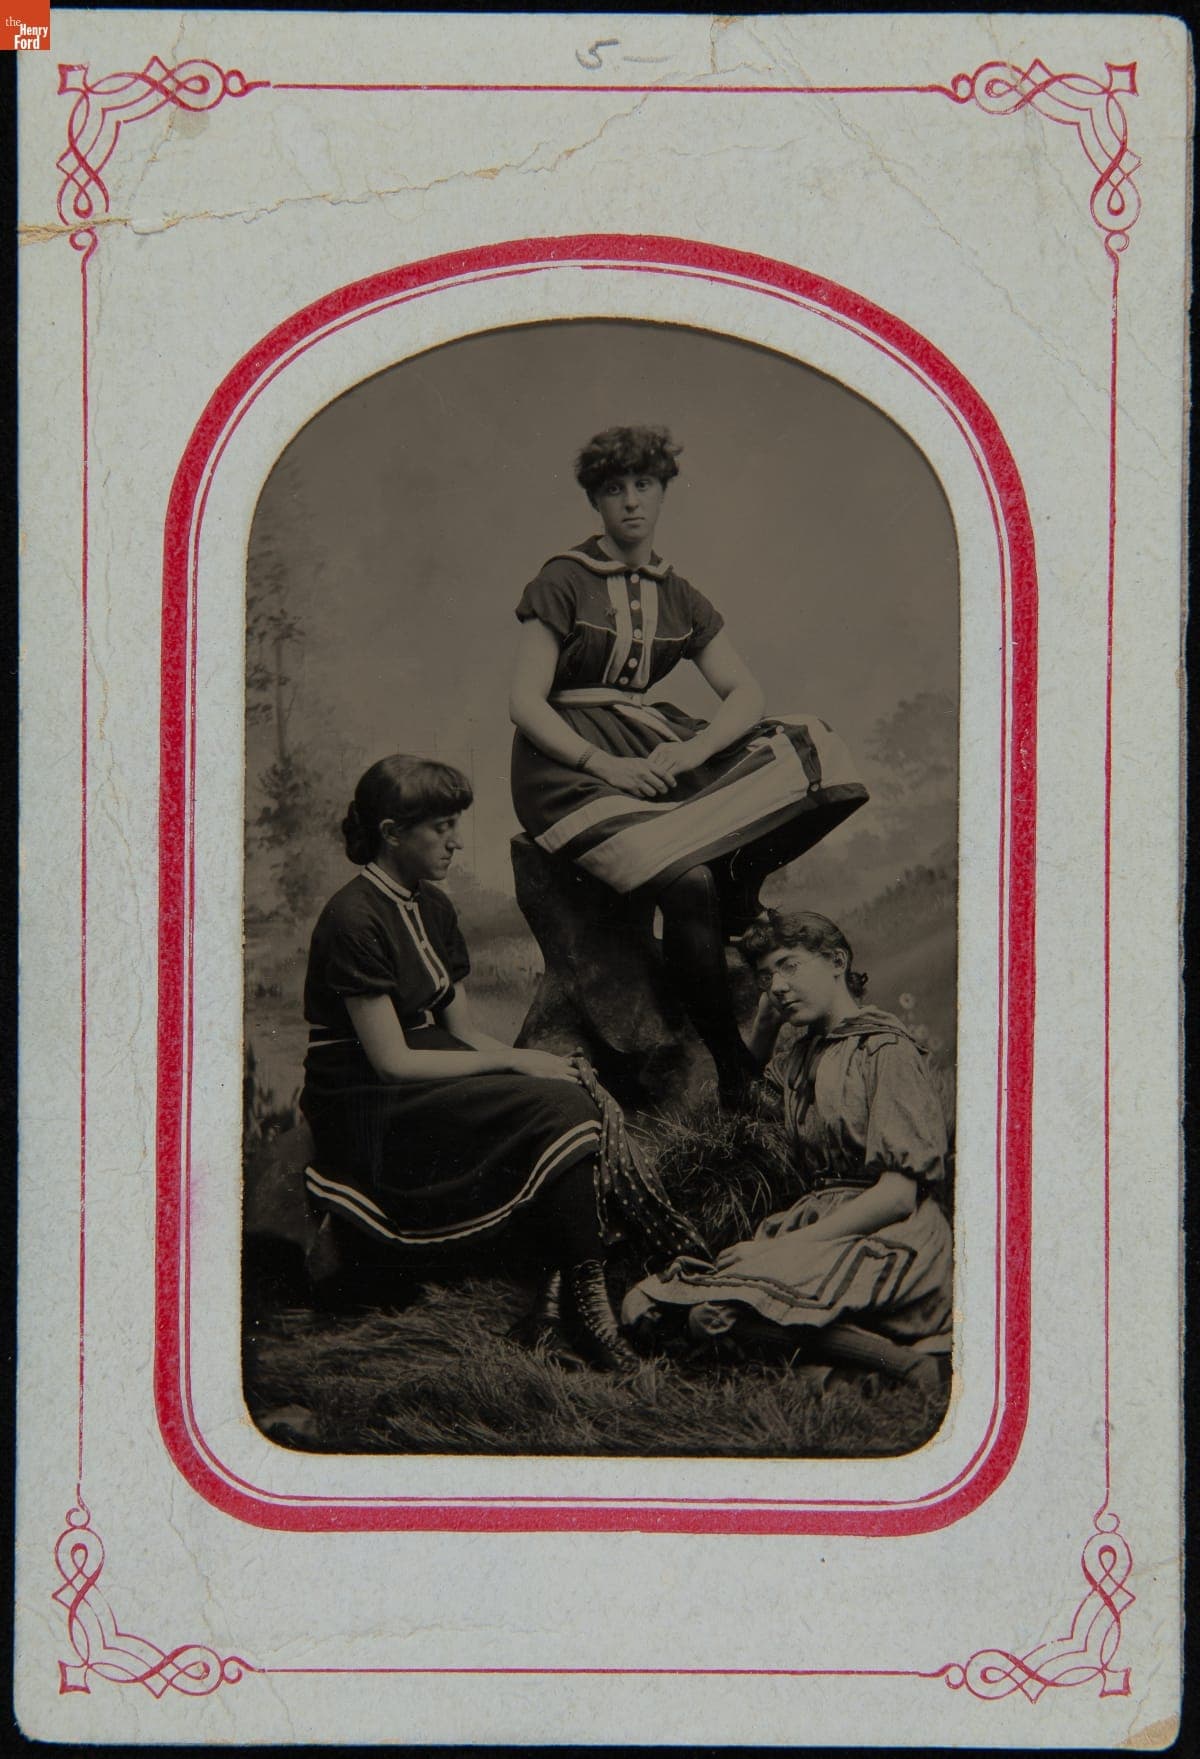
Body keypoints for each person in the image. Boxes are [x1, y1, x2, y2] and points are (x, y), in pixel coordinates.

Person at [299, 753, 702, 1370]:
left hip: (425, 1059)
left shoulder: (433, 908)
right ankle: (589, 1312)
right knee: (557, 1105)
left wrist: (530, 1059)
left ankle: (561, 1303)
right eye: (441, 827)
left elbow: (461, 1033)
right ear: (392, 833)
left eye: (456, 825)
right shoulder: (353, 917)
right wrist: (515, 1068)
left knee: (568, 1086)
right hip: (362, 1089)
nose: (456, 842)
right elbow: (391, 1062)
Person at [509, 425, 868, 1110]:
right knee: (686, 881)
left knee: (809, 743)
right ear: (595, 501)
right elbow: (524, 703)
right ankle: (733, 1067)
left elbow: (745, 693)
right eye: (613, 489)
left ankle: (736, 889)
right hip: (566, 770)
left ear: (663, 491)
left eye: (644, 485)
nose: (630, 502)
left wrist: (693, 752)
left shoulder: (678, 593)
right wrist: (606, 765)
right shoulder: (563, 579)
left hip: (648, 743)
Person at [621, 910, 952, 1390]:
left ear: (836, 961)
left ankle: (903, 1366)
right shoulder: (800, 1058)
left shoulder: (885, 1051)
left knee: (721, 1310)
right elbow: (735, 1114)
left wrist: (783, 1246)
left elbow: (898, 1195)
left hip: (886, 1231)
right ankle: (833, 1372)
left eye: (789, 966)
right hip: (815, 1222)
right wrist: (763, 1031)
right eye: (766, 977)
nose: (776, 986)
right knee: (649, 1306)